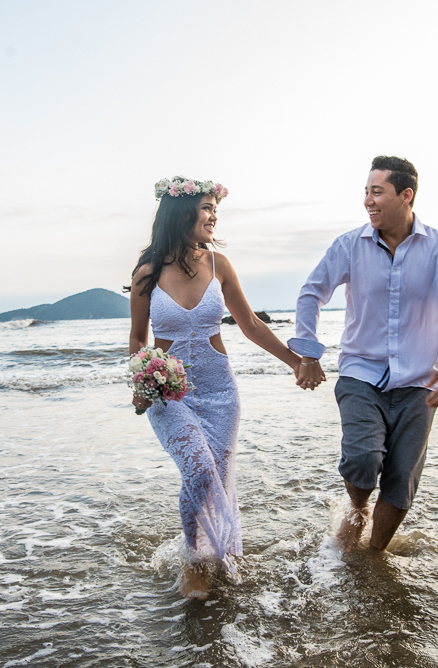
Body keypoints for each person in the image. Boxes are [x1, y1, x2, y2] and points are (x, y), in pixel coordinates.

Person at [290, 156, 438, 552]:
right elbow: (312, 293)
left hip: (418, 382)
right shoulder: (349, 245)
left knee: (402, 479)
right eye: (365, 192)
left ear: (405, 195)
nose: (368, 201)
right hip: (361, 374)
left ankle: (372, 557)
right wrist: (308, 353)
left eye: (376, 192)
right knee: (362, 461)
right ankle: (358, 506)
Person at [128, 176, 304, 599]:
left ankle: (211, 557)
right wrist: (142, 378)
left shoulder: (218, 264)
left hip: (220, 392)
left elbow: (251, 325)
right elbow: (137, 339)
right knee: (200, 472)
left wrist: (296, 362)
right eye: (206, 207)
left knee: (216, 479)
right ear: (181, 212)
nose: (213, 216)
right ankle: (195, 563)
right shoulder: (147, 273)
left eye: (214, 208)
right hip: (168, 395)